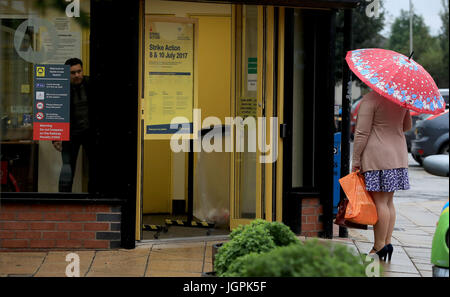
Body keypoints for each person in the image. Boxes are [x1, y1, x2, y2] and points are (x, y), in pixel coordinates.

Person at [351, 90, 412, 261]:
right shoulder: (401, 98)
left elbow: (362, 133)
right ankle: (387, 242)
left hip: (377, 157)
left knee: (379, 203)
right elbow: (407, 126)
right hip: (397, 156)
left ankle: (378, 247)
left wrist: (355, 160)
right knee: (388, 202)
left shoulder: (371, 99)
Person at [52, 58, 98, 193]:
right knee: (67, 168)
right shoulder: (61, 88)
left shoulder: (91, 84)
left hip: (90, 133)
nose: (77, 75)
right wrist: (55, 137)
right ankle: (64, 201)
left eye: (79, 71)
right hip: (70, 134)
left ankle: (94, 198)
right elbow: (55, 112)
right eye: (73, 73)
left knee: (95, 168)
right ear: (66, 74)